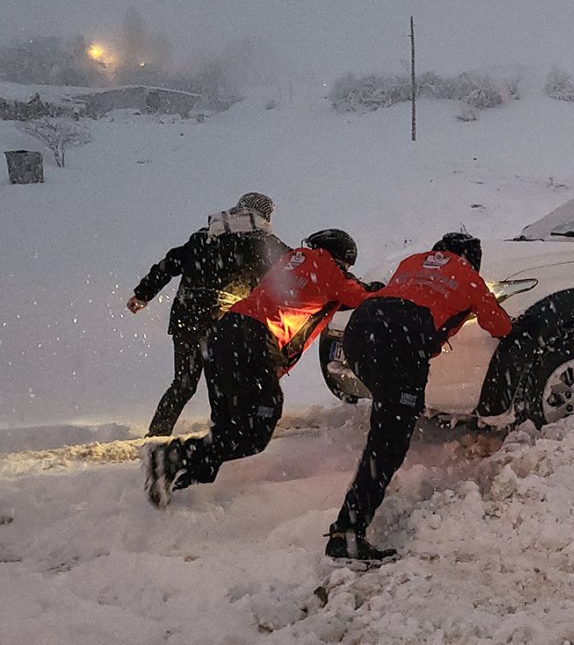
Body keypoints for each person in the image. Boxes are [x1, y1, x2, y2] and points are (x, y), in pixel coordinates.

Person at [142, 229, 375, 508]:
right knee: (256, 428)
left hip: (221, 336)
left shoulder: (292, 260)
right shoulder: (326, 266)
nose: (346, 271)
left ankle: (178, 482)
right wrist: (378, 287)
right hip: (252, 340)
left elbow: (321, 295)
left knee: (228, 427)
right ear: (340, 257)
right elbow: (362, 297)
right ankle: (172, 457)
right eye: (346, 266)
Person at [325, 232, 513, 561]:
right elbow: (498, 325)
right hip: (402, 338)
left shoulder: (411, 262)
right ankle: (347, 535)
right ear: (472, 260)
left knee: (386, 424)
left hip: (361, 329)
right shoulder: (469, 277)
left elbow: (404, 295)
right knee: (389, 443)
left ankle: (349, 528)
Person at [127, 192, 289, 436]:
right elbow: (294, 264)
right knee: (223, 378)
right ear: (265, 215)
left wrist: (142, 294)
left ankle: (158, 433)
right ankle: (227, 430)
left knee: (184, 382)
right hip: (221, 319)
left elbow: (170, 263)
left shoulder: (205, 235)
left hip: (186, 316)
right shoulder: (262, 241)